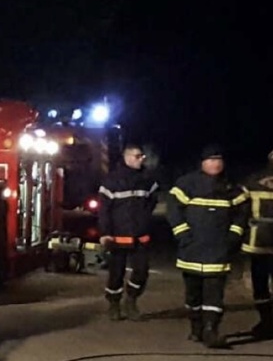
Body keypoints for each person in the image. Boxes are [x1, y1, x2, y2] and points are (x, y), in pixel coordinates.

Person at [167, 144, 249, 348]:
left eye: (219, 160)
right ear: (202, 162)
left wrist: (233, 236)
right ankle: (196, 327)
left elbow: (242, 214)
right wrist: (183, 234)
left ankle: (211, 330)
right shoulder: (187, 184)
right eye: (211, 160)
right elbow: (174, 210)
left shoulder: (232, 188)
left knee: (215, 293)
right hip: (191, 250)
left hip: (218, 251)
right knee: (193, 294)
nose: (216, 164)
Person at [98, 143, 159, 321]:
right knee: (116, 273)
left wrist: (144, 219)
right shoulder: (112, 181)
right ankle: (114, 304)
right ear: (127, 157)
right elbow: (104, 210)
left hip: (140, 235)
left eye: (142, 156)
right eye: (138, 156)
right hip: (118, 235)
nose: (142, 159)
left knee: (141, 271)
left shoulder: (147, 180)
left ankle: (131, 300)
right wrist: (105, 232)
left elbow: (152, 201)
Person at [240, 149, 273, 339]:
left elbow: (240, 209)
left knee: (260, 286)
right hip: (259, 241)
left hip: (258, 241)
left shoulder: (252, 181)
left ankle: (267, 322)